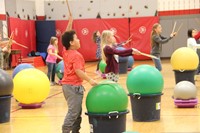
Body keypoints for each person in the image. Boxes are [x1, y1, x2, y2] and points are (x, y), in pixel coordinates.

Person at [61, 15, 97, 133]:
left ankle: (76, 131)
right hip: (73, 87)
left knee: (76, 112)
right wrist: (90, 80)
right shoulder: (76, 55)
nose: (79, 40)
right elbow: (78, 71)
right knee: (74, 112)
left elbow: (65, 36)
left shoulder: (65, 51)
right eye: (77, 38)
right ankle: (66, 130)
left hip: (67, 87)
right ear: (71, 42)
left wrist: (70, 23)